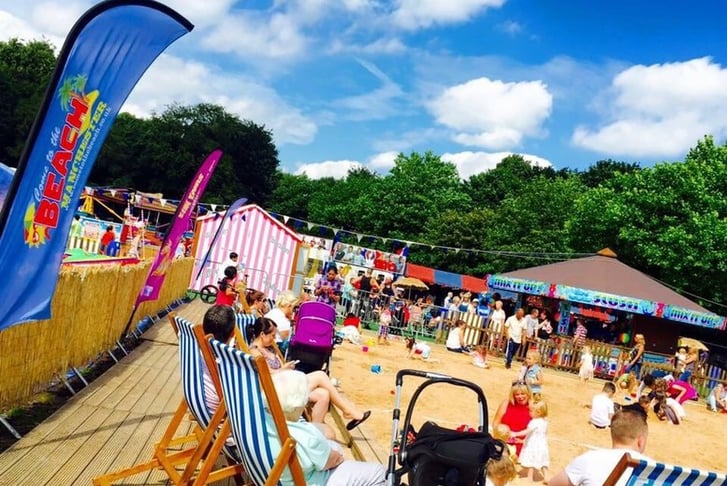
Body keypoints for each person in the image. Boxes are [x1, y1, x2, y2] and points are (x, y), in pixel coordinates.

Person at [245, 316, 371, 429]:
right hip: (274, 391)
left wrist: (287, 367)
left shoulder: (269, 348)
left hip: (283, 385)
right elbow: (265, 375)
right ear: (262, 334)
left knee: (323, 394)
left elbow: (278, 369)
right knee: (321, 375)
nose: (274, 339)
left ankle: (315, 432)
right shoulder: (254, 352)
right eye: (272, 336)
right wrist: (284, 369)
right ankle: (347, 410)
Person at [268, 370, 387, 486]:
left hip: (276, 477)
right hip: (309, 480)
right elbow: (333, 460)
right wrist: (338, 457)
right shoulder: (305, 436)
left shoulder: (264, 423)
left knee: (332, 445)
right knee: (380, 472)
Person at [549, 409, 650, 486]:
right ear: (641, 441)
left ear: (613, 435)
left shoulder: (590, 459)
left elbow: (554, 484)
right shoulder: (656, 470)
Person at [510, 400, 550, 483]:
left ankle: (530, 477)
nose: (529, 412)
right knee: (543, 461)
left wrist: (515, 434)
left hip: (533, 446)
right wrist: (522, 441)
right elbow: (540, 434)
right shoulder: (545, 422)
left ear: (538, 412)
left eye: (531, 411)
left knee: (531, 461)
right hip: (542, 445)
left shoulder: (534, 422)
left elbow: (527, 432)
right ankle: (546, 477)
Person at [493, 381, 532, 456]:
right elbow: (496, 423)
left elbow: (537, 432)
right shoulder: (506, 403)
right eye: (517, 394)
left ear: (528, 394)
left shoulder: (533, 408)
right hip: (503, 440)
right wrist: (500, 436)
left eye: (523, 394)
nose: (520, 397)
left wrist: (522, 441)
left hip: (521, 443)